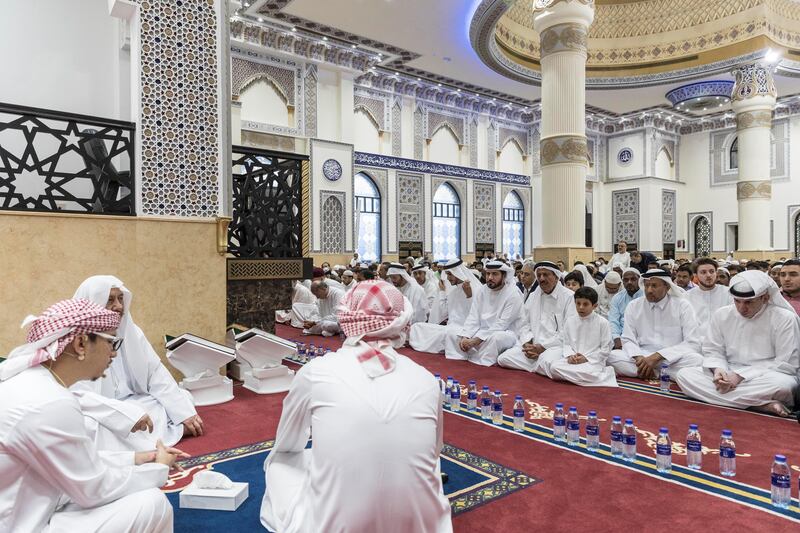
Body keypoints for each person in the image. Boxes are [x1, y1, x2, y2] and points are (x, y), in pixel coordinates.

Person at [260, 280, 452, 533]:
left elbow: (287, 444)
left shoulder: (315, 372)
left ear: (347, 319)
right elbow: (434, 451)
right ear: (402, 322)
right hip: (423, 526)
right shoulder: (427, 379)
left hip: (332, 526)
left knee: (279, 462)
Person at [0, 298, 184, 532]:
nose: (114, 355)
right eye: (112, 343)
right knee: (151, 504)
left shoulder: (34, 382)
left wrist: (135, 459)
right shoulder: (49, 401)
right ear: (80, 343)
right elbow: (93, 490)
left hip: (29, 507)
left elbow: (74, 462)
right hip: (20, 524)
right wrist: (158, 468)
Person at [71, 276, 200, 452]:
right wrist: (123, 414)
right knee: (87, 426)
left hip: (137, 402)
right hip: (104, 410)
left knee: (183, 398)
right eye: (110, 300)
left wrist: (183, 413)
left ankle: (144, 440)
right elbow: (80, 396)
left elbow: (154, 372)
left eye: (120, 299)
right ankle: (164, 435)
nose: (118, 306)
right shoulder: (78, 341)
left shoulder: (133, 332)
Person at [675, 271, 800, 417]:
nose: (742, 308)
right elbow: (713, 350)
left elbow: (786, 364)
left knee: (784, 386)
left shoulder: (785, 318)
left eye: (748, 302)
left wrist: (741, 376)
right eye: (737, 301)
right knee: (684, 375)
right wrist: (718, 370)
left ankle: (733, 400)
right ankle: (760, 405)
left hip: (767, 375)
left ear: (765, 298)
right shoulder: (722, 314)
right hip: (729, 371)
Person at [608, 269, 701, 379]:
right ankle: (659, 373)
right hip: (642, 355)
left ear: (667, 287)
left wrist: (657, 356)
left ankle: (647, 371)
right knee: (611, 356)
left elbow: (692, 342)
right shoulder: (634, 306)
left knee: (697, 360)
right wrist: (639, 358)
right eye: (646, 286)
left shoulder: (682, 306)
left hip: (672, 358)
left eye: (654, 286)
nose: (649, 290)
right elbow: (628, 339)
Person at [497, 261, 577, 373]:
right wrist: (527, 342)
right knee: (504, 358)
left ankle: (542, 366)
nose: (542, 278)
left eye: (546, 275)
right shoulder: (534, 296)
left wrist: (542, 347)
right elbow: (524, 324)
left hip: (555, 347)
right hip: (533, 346)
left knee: (546, 361)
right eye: (539, 275)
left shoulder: (569, 297)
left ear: (556, 277)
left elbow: (568, 331)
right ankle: (541, 369)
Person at [445, 261, 523, 366]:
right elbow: (473, 316)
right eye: (488, 274)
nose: (490, 277)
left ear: (504, 276)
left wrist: (476, 340)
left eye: (494, 274)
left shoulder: (513, 293)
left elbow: (502, 324)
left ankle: (477, 355)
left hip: (504, 333)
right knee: (452, 332)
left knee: (497, 338)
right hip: (480, 332)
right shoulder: (482, 290)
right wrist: (466, 336)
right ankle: (468, 354)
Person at [547, 287, 617, 387]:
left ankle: (581, 378)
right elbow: (566, 343)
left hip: (592, 362)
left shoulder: (603, 323)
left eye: (585, 304)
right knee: (554, 368)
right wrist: (570, 356)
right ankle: (590, 379)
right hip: (573, 361)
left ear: (594, 306)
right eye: (578, 303)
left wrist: (586, 358)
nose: (581, 307)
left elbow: (606, 348)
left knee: (588, 372)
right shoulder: (570, 321)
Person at [409, 259, 478, 353]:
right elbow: (444, 313)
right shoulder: (453, 291)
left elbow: (475, 316)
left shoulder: (475, 289)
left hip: (464, 330)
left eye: (450, 274)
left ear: (458, 273)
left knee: (450, 334)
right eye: (447, 274)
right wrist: (442, 292)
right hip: (449, 327)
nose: (448, 278)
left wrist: (469, 296)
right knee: (417, 327)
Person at [686, 258, 732, 326]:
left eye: (711, 271)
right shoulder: (687, 297)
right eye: (703, 272)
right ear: (695, 275)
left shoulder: (729, 293)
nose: (708, 275)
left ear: (716, 273)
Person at [608, 268, 643, 349]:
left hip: (643, 337)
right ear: (622, 282)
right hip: (622, 338)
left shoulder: (647, 296)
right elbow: (613, 321)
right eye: (626, 280)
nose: (629, 282)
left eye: (633, 279)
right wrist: (616, 338)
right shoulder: (617, 298)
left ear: (639, 280)